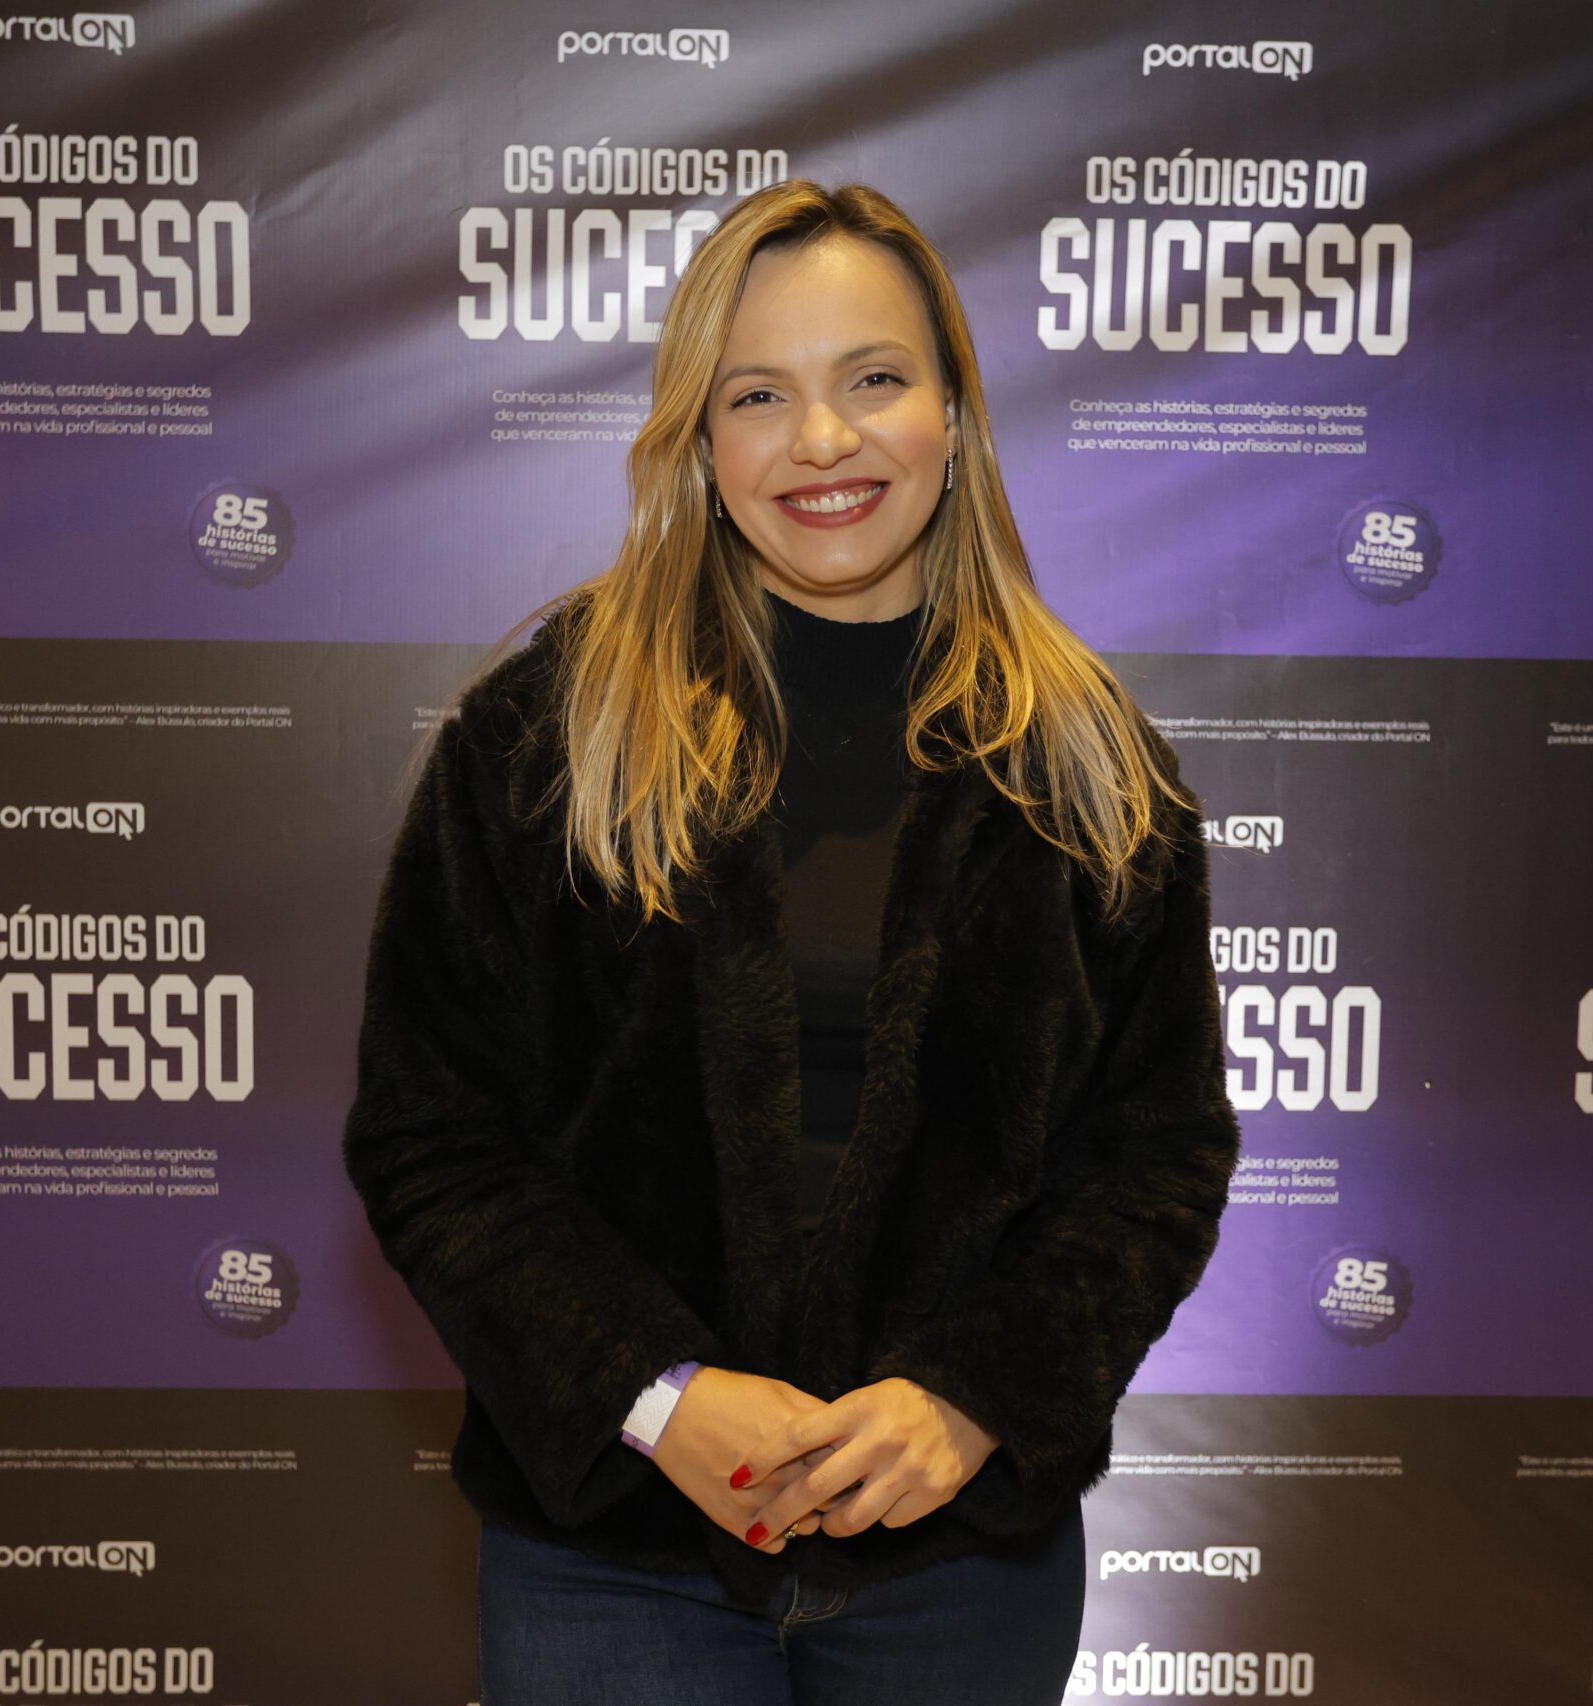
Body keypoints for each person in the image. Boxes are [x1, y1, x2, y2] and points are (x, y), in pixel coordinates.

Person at [342, 179, 1240, 1704]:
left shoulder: (1089, 765)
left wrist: (975, 1398)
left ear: (954, 414)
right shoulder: (544, 738)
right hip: (611, 1562)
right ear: (701, 439)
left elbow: (1156, 1160)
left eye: (873, 379)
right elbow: (432, 1136)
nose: (821, 440)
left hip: (961, 1570)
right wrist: (654, 1394)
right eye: (759, 394)